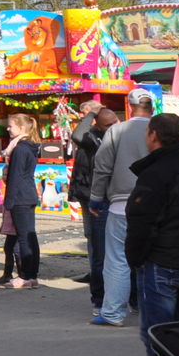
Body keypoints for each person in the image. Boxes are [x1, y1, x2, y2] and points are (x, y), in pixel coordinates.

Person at [122, 113, 179, 356]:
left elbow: (142, 223)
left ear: (153, 135)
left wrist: (136, 259)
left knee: (159, 336)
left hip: (164, 262)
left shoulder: (158, 173)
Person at [92, 89, 158, 326]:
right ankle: (154, 311)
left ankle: (113, 313)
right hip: (156, 204)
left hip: (121, 204)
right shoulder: (160, 129)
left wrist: (95, 197)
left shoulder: (117, 131)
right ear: (152, 107)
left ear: (129, 107)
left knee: (117, 259)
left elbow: (102, 166)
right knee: (154, 258)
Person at [72, 101, 117, 310]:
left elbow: (77, 135)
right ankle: (95, 275)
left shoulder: (106, 137)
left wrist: (92, 114)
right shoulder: (93, 136)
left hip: (102, 195)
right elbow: (79, 136)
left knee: (101, 242)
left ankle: (102, 288)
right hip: (88, 192)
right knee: (92, 237)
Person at [1, 112, 42, 288]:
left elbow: (15, 176)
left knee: (25, 238)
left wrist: (9, 200)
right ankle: (31, 276)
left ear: (22, 127)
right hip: (28, 194)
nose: (8, 129)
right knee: (30, 236)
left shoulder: (20, 149)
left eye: (11, 126)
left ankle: (25, 276)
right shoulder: (30, 146)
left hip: (20, 197)